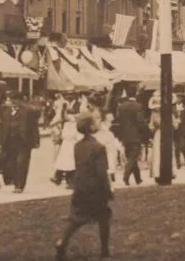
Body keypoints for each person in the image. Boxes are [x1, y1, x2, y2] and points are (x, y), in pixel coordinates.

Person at [55, 113, 113, 260]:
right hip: (95, 189)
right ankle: (104, 251)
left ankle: (62, 241)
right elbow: (101, 173)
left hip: (80, 186)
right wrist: (107, 190)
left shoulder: (77, 146)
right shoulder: (98, 147)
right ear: (92, 127)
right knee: (103, 217)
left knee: (76, 218)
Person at [0, 91, 40, 193]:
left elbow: (34, 126)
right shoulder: (5, 112)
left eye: (14, 100)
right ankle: (13, 181)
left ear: (20, 100)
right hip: (9, 141)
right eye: (11, 100)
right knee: (11, 163)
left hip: (23, 141)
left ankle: (19, 186)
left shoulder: (28, 111)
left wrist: (36, 140)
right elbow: (2, 127)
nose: (12, 102)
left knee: (21, 163)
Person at [113, 87, 147, 186]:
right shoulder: (138, 106)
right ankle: (126, 176)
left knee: (132, 157)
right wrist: (145, 133)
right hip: (136, 135)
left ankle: (138, 178)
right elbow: (141, 122)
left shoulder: (121, 107)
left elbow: (118, 121)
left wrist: (119, 135)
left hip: (125, 136)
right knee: (133, 157)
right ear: (135, 94)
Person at [53, 111, 81, 188]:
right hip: (66, 146)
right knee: (65, 164)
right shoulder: (67, 125)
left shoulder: (75, 125)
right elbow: (64, 135)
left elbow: (77, 136)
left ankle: (69, 181)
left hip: (72, 146)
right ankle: (61, 179)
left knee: (71, 165)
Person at [94, 112, 124, 183]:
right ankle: (109, 176)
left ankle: (111, 175)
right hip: (104, 145)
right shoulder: (101, 127)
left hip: (109, 145)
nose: (111, 120)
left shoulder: (109, 127)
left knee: (112, 159)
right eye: (109, 119)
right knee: (109, 160)